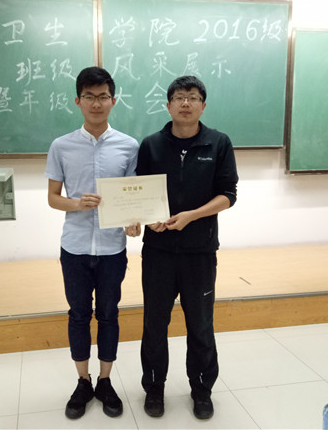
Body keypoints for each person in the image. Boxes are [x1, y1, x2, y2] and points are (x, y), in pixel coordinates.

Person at [136, 76, 239, 420]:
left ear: (203, 106)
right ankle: (154, 387)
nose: (185, 103)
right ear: (168, 105)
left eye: (193, 98)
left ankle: (201, 390)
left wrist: (192, 216)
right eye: (179, 97)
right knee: (154, 324)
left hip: (200, 252)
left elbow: (228, 195)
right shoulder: (151, 145)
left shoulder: (218, 143)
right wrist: (147, 218)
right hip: (158, 251)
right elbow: (139, 192)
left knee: (201, 324)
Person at [45, 66, 140, 420]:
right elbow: (53, 198)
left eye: (103, 97)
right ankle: (83, 381)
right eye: (89, 97)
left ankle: (105, 380)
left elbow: (132, 196)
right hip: (75, 247)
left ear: (113, 101)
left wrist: (134, 221)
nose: (96, 103)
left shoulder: (129, 146)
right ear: (78, 101)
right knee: (79, 315)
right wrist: (76, 203)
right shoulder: (61, 146)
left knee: (109, 314)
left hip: (113, 248)